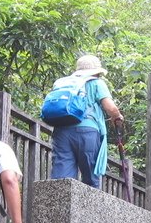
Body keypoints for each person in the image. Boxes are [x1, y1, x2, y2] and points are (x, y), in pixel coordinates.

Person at [49, 54, 124, 188]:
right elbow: (111, 108)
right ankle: (91, 207)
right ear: (96, 72)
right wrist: (117, 118)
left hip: (61, 131)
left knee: (61, 180)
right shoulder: (96, 83)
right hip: (87, 131)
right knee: (90, 177)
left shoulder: (61, 82)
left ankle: (60, 205)